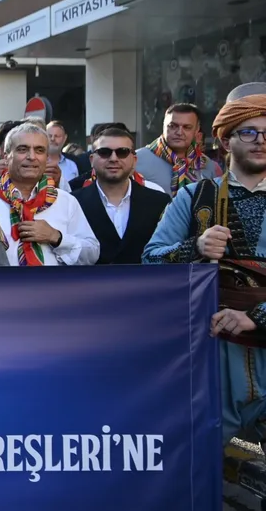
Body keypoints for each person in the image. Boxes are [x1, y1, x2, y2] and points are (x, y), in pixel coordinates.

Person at [144, 86, 266, 444]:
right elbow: (150, 262)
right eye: (248, 131)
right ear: (226, 142)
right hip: (212, 351)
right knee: (199, 464)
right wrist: (194, 247)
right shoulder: (193, 196)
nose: (260, 141)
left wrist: (256, 317)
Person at [0, 123, 99, 266]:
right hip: (0, 287)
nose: (31, 156)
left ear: (47, 158)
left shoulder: (66, 201)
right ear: (6, 156)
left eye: (39, 150)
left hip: (54, 287)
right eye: (22, 149)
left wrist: (56, 237)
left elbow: (92, 254)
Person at [71, 128, 170, 265]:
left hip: (146, 285)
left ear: (134, 160)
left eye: (122, 152)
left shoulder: (160, 202)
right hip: (90, 285)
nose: (113, 159)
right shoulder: (72, 202)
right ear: (92, 160)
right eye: (104, 152)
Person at [137, 103, 221, 194]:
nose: (179, 132)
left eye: (187, 127)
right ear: (163, 127)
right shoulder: (136, 160)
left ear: (197, 130)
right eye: (173, 126)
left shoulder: (207, 165)